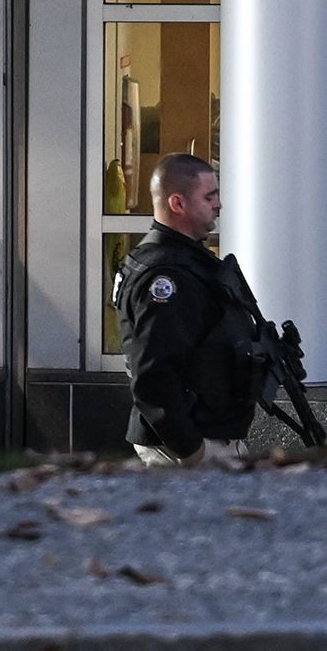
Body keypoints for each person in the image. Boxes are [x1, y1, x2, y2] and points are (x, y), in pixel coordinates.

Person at [116, 152, 259, 465]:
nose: (218, 204)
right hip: (188, 447)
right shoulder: (166, 277)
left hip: (208, 436)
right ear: (177, 204)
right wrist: (193, 451)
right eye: (210, 197)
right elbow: (153, 377)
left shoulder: (188, 261)